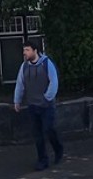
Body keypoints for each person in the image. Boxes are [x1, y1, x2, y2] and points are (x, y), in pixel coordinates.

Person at [13, 40, 63, 170]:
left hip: (46, 106)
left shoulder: (46, 63)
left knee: (49, 129)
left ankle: (58, 149)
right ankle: (42, 160)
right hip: (33, 105)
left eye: (27, 50)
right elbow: (20, 84)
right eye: (24, 50)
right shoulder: (24, 66)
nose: (25, 53)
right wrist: (17, 101)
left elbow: (54, 82)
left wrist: (48, 97)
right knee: (37, 135)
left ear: (35, 51)